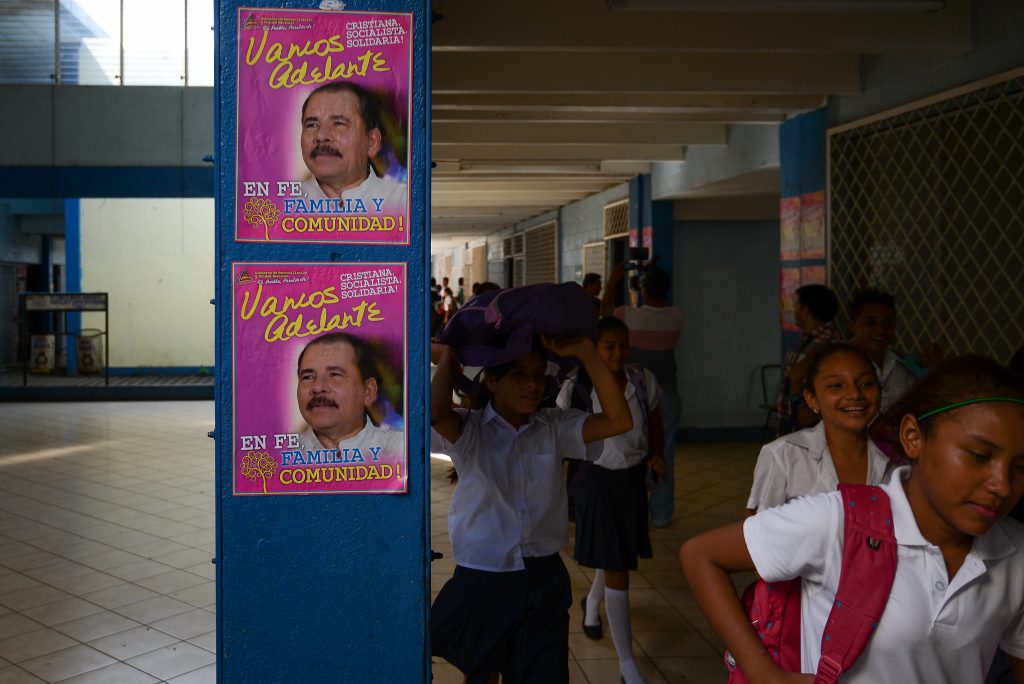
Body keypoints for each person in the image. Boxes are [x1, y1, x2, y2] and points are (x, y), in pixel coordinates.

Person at [681, 355, 1024, 683]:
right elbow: (701, 554)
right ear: (913, 437)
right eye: (979, 456)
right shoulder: (838, 521)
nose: (1002, 485)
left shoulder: (1015, 552)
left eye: (1021, 466)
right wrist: (763, 673)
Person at [429, 334, 632, 684]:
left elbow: (619, 422)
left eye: (538, 374)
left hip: (543, 578)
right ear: (491, 380)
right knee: (482, 673)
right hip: (484, 576)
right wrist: (447, 357)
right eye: (519, 374)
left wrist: (586, 352)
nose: (532, 384)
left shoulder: (554, 426)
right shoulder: (471, 429)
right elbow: (435, 414)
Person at [555, 316, 666, 684]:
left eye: (623, 345)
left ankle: (591, 608)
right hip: (594, 479)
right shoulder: (578, 385)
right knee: (617, 563)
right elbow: (559, 429)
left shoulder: (641, 379)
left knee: (616, 549)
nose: (618, 353)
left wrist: (657, 454)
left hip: (631, 478)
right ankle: (626, 663)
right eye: (609, 346)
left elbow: (654, 421)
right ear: (593, 347)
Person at [746, 343, 893, 516]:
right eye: (836, 385)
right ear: (812, 399)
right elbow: (760, 533)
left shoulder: (894, 460)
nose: (855, 394)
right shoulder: (783, 455)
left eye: (866, 383)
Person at [602, 262, 683, 528]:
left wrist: (613, 282)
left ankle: (632, 504)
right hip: (669, 395)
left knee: (631, 449)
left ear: (643, 290)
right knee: (663, 454)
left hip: (634, 393)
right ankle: (661, 513)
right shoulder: (676, 317)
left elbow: (605, 319)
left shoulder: (627, 315)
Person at [299, 81, 407, 211]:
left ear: (372, 142)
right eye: (312, 125)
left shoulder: (402, 201)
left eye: (338, 123)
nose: (321, 136)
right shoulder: (280, 202)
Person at [294, 332, 403, 459]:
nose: (317, 387)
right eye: (308, 377)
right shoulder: (277, 452)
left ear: (368, 391)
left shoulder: (400, 450)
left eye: (335, 375)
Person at [777, 284, 845, 435]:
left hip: (811, 429)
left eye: (796, 306)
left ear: (805, 311)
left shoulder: (830, 342)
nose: (793, 311)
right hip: (796, 427)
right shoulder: (809, 340)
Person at [846, 288, 919, 412]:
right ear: (852, 326)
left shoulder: (905, 365)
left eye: (888, 323)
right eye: (870, 323)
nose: (880, 330)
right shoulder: (840, 365)